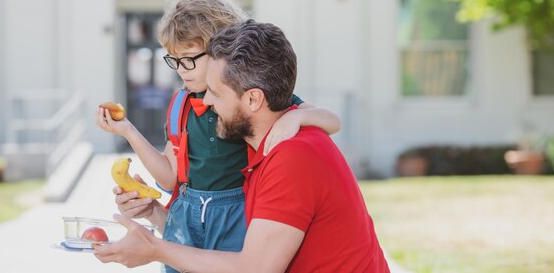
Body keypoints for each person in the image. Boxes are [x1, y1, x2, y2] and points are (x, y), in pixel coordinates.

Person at [94, 19, 389, 272]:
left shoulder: (293, 157)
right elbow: (234, 255)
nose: (206, 102)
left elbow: (254, 268)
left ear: (252, 99)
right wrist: (154, 213)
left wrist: (155, 250)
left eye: (215, 93)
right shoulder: (266, 150)